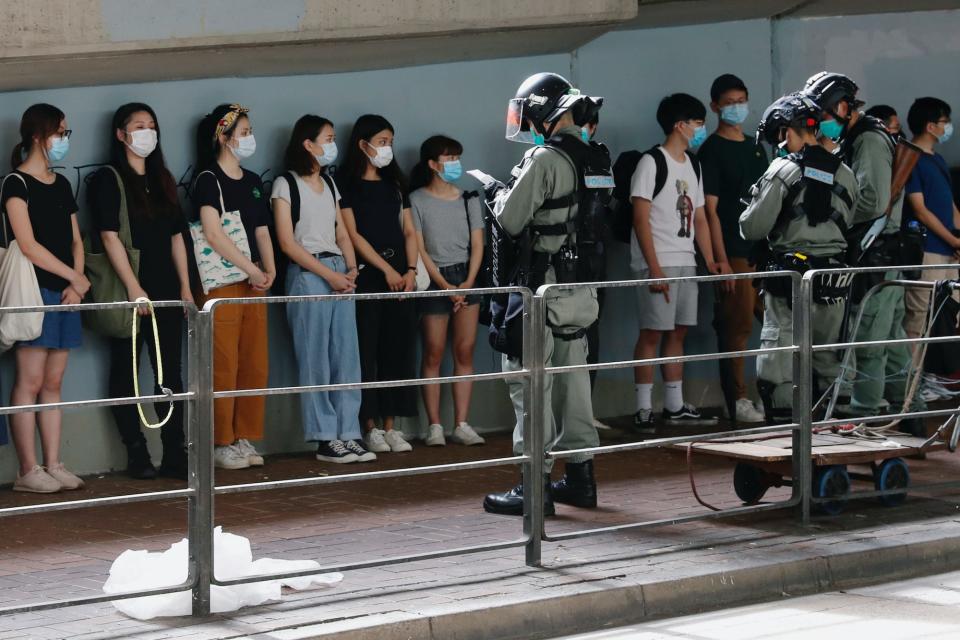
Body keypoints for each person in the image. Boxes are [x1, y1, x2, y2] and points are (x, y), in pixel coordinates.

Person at [483, 72, 606, 516]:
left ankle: (534, 489)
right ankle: (581, 480)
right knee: (575, 386)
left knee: (530, 386)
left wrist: (498, 194)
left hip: (543, 290)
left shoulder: (544, 158)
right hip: (581, 291)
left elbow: (512, 221)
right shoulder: (596, 156)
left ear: (540, 114)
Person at [740, 93, 859, 422]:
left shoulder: (782, 169)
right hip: (834, 281)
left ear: (784, 132)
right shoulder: (845, 171)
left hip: (790, 283)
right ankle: (833, 444)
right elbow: (855, 216)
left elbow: (752, 227)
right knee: (829, 359)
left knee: (779, 363)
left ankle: (788, 447)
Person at [89, 102, 192, 480]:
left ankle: (175, 452)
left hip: (166, 289)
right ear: (121, 134)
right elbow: (108, 235)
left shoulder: (162, 178)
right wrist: (135, 288)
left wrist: (184, 286)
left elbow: (177, 236)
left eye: (152, 125)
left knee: (171, 374)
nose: (147, 132)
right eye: (138, 126)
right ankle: (136, 451)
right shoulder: (108, 178)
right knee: (126, 372)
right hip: (127, 290)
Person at [803, 72, 909, 417]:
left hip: (876, 249)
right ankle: (909, 412)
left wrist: (833, 213)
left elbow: (872, 201)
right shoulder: (856, 137)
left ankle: (866, 417)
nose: (822, 123)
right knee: (890, 342)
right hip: (879, 250)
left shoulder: (868, 140)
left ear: (845, 107)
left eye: (825, 115)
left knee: (868, 342)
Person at [272, 115, 376, 464]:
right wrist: (328, 275)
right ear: (308, 143)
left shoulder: (330, 185)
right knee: (314, 356)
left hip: (338, 272)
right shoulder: (285, 185)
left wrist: (349, 270)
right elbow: (287, 242)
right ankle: (324, 436)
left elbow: (342, 232)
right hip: (308, 272)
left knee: (346, 354)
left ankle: (349, 431)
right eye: (327, 138)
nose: (331, 145)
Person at [2, 103, 88, 492]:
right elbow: (28, 244)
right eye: (60, 133)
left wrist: (78, 280)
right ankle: (27, 469)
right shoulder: (14, 184)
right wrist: (73, 276)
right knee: (30, 378)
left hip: (67, 292)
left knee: (54, 379)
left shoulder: (63, 183)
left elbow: (75, 238)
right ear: (38, 135)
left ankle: (54, 462)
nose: (63, 141)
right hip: (33, 290)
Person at [630, 93, 720, 433]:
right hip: (658, 260)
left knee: (678, 330)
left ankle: (674, 404)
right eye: (697, 123)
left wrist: (710, 260)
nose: (700, 129)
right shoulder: (651, 162)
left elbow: (699, 217)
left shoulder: (693, 164)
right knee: (652, 332)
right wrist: (653, 267)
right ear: (679, 125)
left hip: (685, 259)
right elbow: (641, 218)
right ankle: (642, 407)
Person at [191, 104, 274, 470]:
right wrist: (249, 270)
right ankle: (219, 440)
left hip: (255, 284)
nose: (249, 138)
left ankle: (244, 436)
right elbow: (213, 232)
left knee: (254, 362)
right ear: (223, 137)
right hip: (222, 285)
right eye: (243, 132)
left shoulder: (254, 181)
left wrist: (267, 270)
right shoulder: (208, 179)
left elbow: (261, 230)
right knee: (222, 363)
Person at [339, 114, 418, 454]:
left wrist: (411, 269)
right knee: (367, 351)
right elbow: (353, 235)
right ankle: (368, 425)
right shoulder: (345, 184)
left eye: (390, 142)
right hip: (372, 275)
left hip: (402, 276)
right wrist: (385, 269)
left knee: (397, 349)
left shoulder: (396, 185)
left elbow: (411, 231)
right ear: (363, 144)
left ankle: (392, 425)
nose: (387, 148)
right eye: (382, 141)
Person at [697, 73, 768, 424]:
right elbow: (709, 211)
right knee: (735, 328)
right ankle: (736, 399)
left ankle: (774, 391)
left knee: (775, 325)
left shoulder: (756, 146)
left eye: (741, 100)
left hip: (762, 252)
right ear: (715, 107)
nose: (737, 108)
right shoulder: (711, 150)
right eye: (729, 103)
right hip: (735, 251)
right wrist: (720, 260)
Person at [408, 135, 486, 447]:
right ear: (432, 164)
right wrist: (443, 284)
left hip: (466, 276)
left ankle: (462, 423)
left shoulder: (469, 197)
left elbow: (478, 244)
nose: (454, 164)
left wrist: (467, 282)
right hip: (433, 278)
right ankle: (435, 426)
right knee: (433, 351)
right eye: (448, 158)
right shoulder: (416, 199)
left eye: (457, 157)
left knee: (465, 350)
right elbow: (418, 246)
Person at [903, 97, 959, 341]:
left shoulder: (936, 159)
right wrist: (953, 240)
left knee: (950, 313)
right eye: (944, 122)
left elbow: (950, 205)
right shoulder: (911, 159)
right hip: (929, 250)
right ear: (930, 126)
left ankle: (940, 370)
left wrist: (958, 239)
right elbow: (920, 210)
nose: (948, 127)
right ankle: (916, 375)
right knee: (920, 315)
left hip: (949, 249)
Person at [578, 112, 615, 430]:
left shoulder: (600, 156)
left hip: (595, 254)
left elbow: (606, 202)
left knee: (592, 329)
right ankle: (564, 413)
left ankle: (585, 410)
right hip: (563, 259)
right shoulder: (549, 158)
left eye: (589, 126)